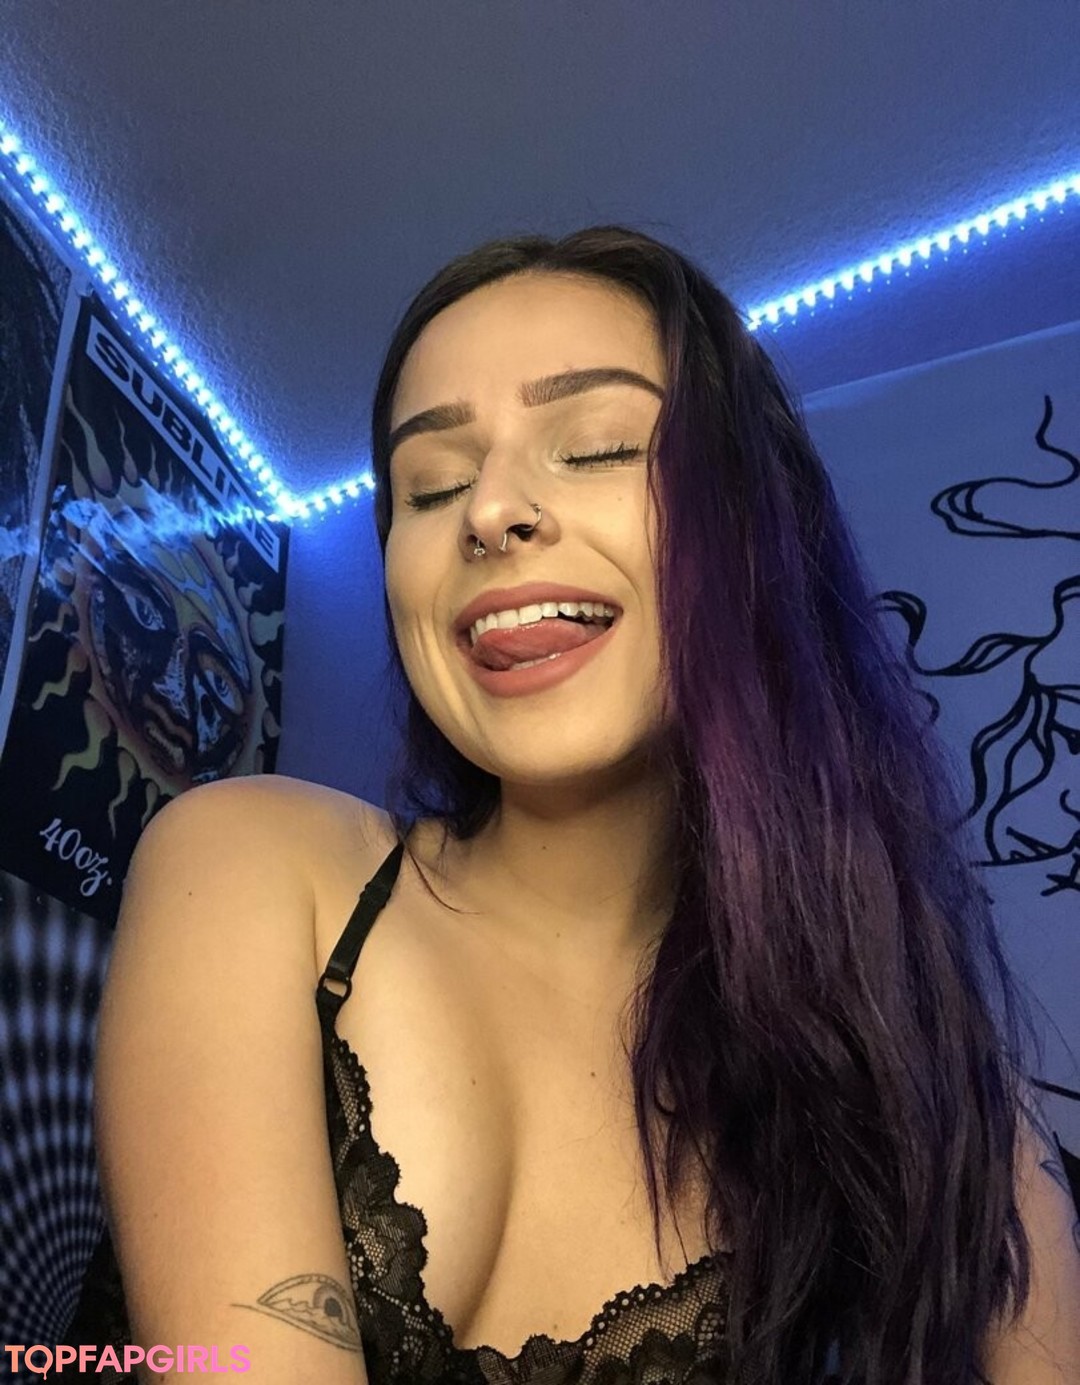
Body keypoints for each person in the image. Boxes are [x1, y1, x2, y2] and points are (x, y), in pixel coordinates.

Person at [79, 226, 1080, 1385]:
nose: (489, 510)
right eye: (431, 484)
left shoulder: (940, 1089)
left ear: (748, 532)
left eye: (595, 447)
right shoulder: (251, 864)